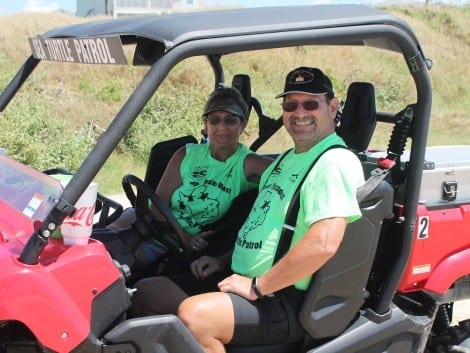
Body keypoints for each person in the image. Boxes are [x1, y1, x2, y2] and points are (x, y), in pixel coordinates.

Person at [171, 66, 366, 353]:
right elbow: (262, 224)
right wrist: (223, 260)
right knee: (148, 292)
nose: (299, 112)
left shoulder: (333, 162)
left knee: (196, 317)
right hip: (245, 279)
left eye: (311, 103)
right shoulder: (285, 159)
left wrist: (258, 286)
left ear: (333, 107)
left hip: (283, 297)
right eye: (291, 105)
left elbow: (323, 243)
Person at [108, 86, 272, 275]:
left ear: (242, 125)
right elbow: (157, 206)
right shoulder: (186, 154)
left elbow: (287, 172)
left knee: (117, 265)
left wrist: (185, 238)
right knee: (100, 241)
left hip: (176, 242)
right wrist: (182, 235)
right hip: (153, 222)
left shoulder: (246, 163)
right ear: (205, 124)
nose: (221, 127)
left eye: (230, 120)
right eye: (215, 120)